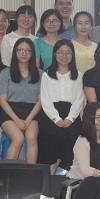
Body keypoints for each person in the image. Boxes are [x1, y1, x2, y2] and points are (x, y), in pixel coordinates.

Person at [38, 39, 84, 174]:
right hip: (50, 114)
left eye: (68, 53)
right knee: (55, 135)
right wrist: (56, 118)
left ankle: (71, 176)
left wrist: (70, 118)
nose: (64, 56)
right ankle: (50, 175)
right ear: (55, 54)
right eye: (60, 52)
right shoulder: (46, 75)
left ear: (72, 55)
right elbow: (45, 99)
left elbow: (79, 99)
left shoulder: (78, 75)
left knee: (74, 135)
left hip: (71, 114)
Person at [0, 37, 42, 162]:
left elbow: (40, 101)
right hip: (10, 113)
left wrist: (27, 120)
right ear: (15, 52)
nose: (24, 53)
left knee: (31, 136)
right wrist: (16, 120)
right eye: (20, 50)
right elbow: (2, 100)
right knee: (18, 138)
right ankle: (8, 172)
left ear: (32, 53)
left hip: (32, 114)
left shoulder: (40, 74)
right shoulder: (5, 73)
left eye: (27, 50)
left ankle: (31, 172)